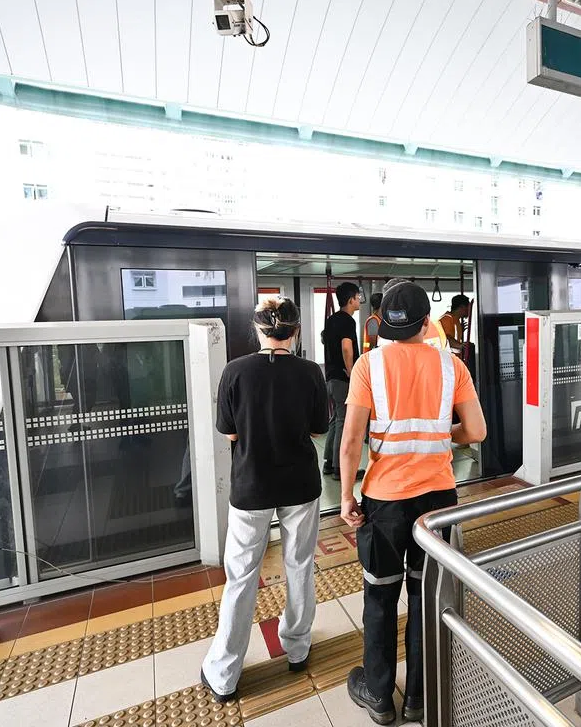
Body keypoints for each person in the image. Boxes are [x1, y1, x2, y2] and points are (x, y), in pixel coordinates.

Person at [339, 279, 487, 725]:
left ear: (382, 322)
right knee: (426, 596)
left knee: (380, 598)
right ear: (427, 322)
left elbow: (349, 443)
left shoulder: (369, 365)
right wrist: (442, 439)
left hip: (383, 504)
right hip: (437, 501)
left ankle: (380, 696)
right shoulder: (452, 366)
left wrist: (346, 496)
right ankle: (420, 697)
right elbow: (476, 432)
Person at [200, 296, 329, 702]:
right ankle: (297, 648)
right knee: (299, 565)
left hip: (251, 486)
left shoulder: (234, 372)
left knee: (240, 578)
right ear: (295, 332)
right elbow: (318, 431)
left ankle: (224, 674)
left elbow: (231, 434)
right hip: (300, 486)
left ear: (257, 330)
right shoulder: (310, 373)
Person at [322, 282, 362, 479]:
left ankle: (329, 462)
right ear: (350, 300)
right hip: (342, 379)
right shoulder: (347, 321)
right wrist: (352, 371)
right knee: (343, 421)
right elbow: (347, 347)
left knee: (334, 420)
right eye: (358, 297)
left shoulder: (331, 320)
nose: (360, 300)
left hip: (330, 377)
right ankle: (340, 468)